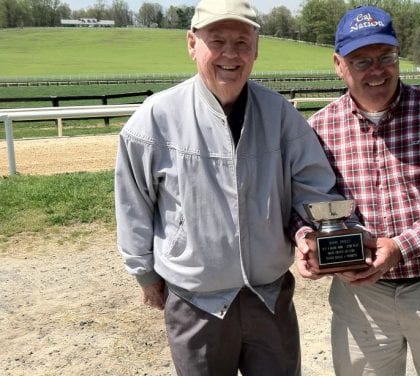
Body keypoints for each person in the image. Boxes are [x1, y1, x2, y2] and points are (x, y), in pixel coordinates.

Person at [114, 0, 343, 374]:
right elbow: (133, 204)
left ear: (256, 48)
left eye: (242, 42)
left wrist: (313, 236)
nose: (230, 54)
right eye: (216, 40)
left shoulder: (280, 114)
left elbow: (313, 187)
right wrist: (145, 273)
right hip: (195, 302)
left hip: (269, 296)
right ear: (192, 43)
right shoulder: (154, 120)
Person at [296, 6, 420, 376]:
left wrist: (401, 247)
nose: (377, 70)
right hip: (360, 299)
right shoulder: (318, 128)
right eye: (361, 60)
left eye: (386, 57)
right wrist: (307, 242)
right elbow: (303, 204)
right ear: (339, 64)